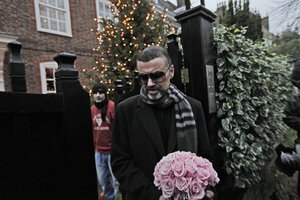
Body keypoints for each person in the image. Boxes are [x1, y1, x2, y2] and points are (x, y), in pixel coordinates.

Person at [111, 46, 213, 200]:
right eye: (143, 77)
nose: (150, 83)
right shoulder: (126, 110)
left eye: (157, 75)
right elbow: (120, 162)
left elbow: (204, 156)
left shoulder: (193, 107)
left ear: (171, 71)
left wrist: (207, 188)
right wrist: (156, 196)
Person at [91, 83, 118, 200]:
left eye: (100, 93)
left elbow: (117, 128)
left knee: (116, 179)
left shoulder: (112, 106)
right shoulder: (92, 110)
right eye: (95, 93)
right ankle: (109, 197)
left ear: (105, 94)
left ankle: (118, 197)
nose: (98, 95)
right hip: (99, 152)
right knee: (103, 180)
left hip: (112, 151)